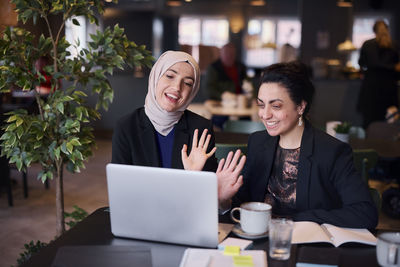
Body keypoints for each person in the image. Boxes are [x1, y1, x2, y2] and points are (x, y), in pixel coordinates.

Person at [218, 61, 378, 229]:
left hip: (308, 248)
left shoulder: (331, 151)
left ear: (301, 106)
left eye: (276, 106)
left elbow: (365, 213)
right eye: (261, 104)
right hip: (261, 242)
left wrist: (297, 220)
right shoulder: (258, 143)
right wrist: (224, 200)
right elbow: (246, 202)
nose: (265, 114)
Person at [112, 51, 217, 171]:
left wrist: (193, 174)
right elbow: (121, 185)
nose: (177, 87)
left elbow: (206, 187)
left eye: (188, 83)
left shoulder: (201, 129)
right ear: (156, 77)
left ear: (192, 92)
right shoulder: (126, 126)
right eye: (170, 76)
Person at [357, 20, 400, 129]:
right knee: (389, 121)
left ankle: (368, 144)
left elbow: (361, 63)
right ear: (387, 30)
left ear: (374, 31)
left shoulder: (367, 44)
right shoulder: (394, 45)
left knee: (369, 122)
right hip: (389, 89)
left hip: (371, 88)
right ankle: (388, 145)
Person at [204, 42, 248, 129]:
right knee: (219, 122)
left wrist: (249, 97)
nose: (229, 56)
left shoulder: (240, 67)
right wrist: (225, 97)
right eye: (226, 53)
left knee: (246, 121)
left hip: (241, 104)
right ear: (221, 54)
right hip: (221, 105)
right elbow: (208, 89)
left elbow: (248, 85)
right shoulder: (214, 68)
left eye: (231, 54)